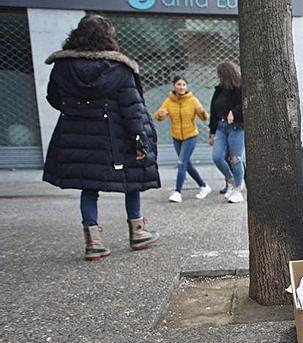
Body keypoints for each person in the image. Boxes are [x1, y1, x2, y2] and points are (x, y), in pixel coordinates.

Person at [43, 14, 159, 261]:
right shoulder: (119, 68)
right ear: (108, 37)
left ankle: (93, 243)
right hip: (115, 136)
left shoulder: (62, 67)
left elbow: (54, 98)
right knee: (132, 182)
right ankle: (138, 233)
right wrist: (139, 140)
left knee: (89, 186)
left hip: (77, 135)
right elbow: (132, 107)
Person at [154, 75, 212, 203]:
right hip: (176, 137)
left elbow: (204, 117)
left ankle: (177, 192)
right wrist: (160, 114)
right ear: (174, 86)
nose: (181, 87)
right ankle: (204, 186)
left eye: (184, 85)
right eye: (179, 84)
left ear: (187, 86)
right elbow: (159, 116)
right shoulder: (169, 101)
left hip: (190, 135)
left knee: (181, 162)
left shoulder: (193, 100)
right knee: (187, 163)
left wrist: (202, 112)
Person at [208, 62, 245, 204]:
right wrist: (212, 132)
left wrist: (234, 112)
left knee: (235, 159)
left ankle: (237, 190)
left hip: (237, 127)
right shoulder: (219, 89)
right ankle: (231, 180)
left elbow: (245, 105)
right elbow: (213, 110)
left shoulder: (240, 88)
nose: (218, 78)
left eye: (220, 75)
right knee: (217, 156)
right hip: (221, 127)